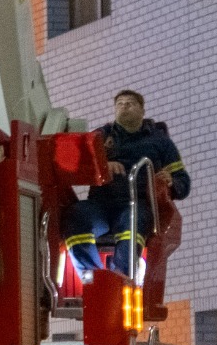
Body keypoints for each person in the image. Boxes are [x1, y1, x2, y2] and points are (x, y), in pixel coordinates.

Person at [62, 89, 191, 279]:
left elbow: (183, 182)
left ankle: (120, 277)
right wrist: (103, 165)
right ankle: (93, 278)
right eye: (120, 104)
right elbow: (80, 163)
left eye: (130, 103)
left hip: (135, 204)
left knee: (132, 221)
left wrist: (171, 181)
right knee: (77, 215)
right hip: (101, 205)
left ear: (142, 110)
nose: (124, 106)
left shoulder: (160, 142)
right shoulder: (100, 137)